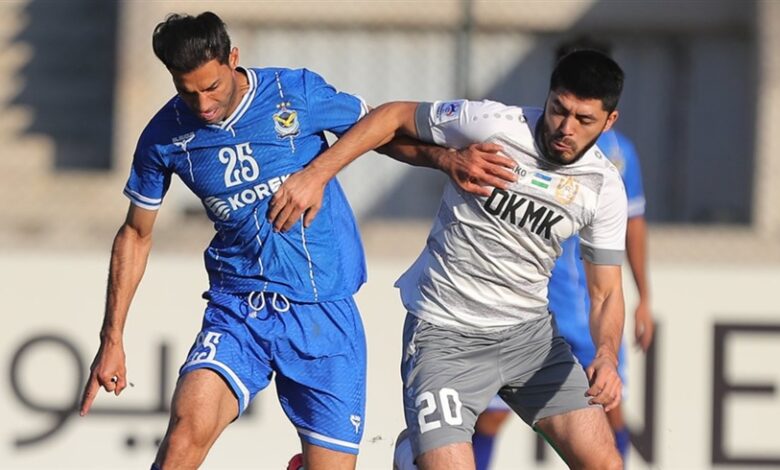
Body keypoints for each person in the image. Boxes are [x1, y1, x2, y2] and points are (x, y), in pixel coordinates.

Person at [77, 11, 516, 470]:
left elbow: (379, 132)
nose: (203, 105)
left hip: (322, 310)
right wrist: (112, 336)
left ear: (233, 59)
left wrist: (446, 160)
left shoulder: (294, 93)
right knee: (184, 436)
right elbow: (134, 233)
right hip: (239, 307)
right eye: (188, 93)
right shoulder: (163, 137)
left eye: (212, 88)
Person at [270, 50, 628, 469]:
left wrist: (606, 353)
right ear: (547, 98)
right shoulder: (492, 124)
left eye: (583, 120)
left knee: (606, 465)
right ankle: (412, 455)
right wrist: (318, 174)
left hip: (531, 342)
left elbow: (605, 294)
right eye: (558, 110)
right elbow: (391, 117)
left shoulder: (603, 188)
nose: (565, 128)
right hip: (444, 337)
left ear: (609, 121)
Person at [471, 38, 654, 469]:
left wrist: (645, 296)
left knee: (609, 409)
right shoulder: (523, 140)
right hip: (529, 303)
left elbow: (635, 224)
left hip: (584, 303)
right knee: (491, 418)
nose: (569, 122)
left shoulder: (617, 157)